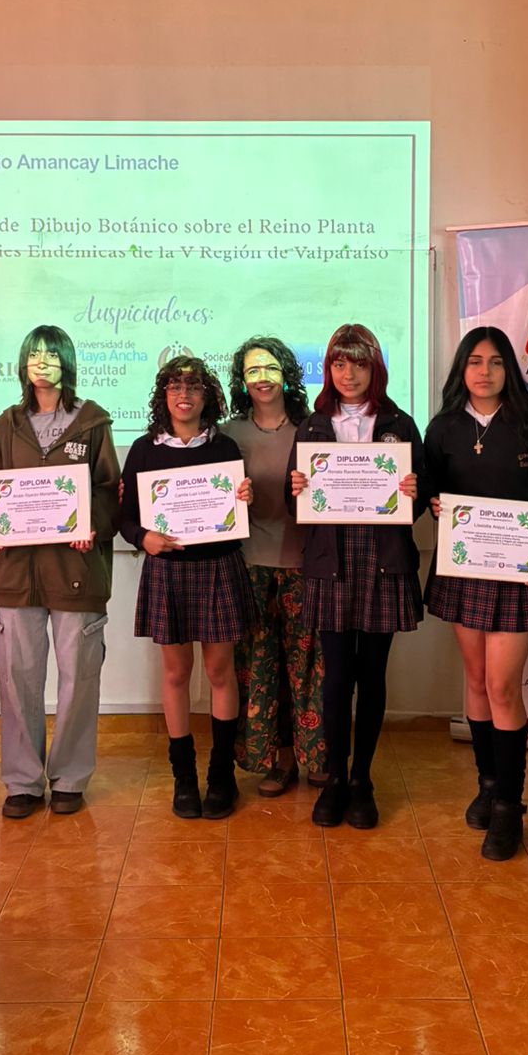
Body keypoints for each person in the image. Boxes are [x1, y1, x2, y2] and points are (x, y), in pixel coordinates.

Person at [422, 326, 528, 860]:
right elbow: (428, 487)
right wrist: (432, 501)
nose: (485, 372)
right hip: (465, 570)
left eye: (496, 362)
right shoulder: (443, 426)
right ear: (461, 369)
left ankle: (509, 806)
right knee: (477, 681)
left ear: (510, 369)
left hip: (518, 573)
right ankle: (488, 784)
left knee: (503, 687)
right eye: (475, 361)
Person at [290, 324, 424, 831]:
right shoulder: (312, 426)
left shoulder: (400, 423)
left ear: (375, 368)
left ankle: (363, 779)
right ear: (329, 369)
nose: (349, 374)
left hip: (382, 558)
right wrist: (295, 487)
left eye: (359, 363)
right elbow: (294, 504)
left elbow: (422, 495)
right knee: (336, 678)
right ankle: (334, 780)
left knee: (372, 677)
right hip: (331, 560)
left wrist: (413, 490)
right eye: (339, 363)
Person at [0, 325, 120, 819]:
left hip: (76, 570)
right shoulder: (6, 423)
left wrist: (92, 525)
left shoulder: (92, 421)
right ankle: (22, 781)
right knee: (17, 678)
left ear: (67, 362)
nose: (41, 362)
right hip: (18, 574)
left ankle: (70, 777)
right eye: (33, 354)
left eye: (51, 354)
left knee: (78, 678)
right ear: (23, 364)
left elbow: (109, 490)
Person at [119, 355, 254, 820]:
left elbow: (237, 517)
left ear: (207, 396)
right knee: (176, 674)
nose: (184, 395)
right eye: (175, 386)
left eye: (194, 387)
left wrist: (245, 499)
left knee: (220, 672)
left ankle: (221, 776)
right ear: (163, 396)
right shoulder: (144, 449)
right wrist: (143, 538)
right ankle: (184, 778)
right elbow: (125, 517)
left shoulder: (226, 447)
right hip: (169, 571)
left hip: (218, 566)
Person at [223, 336, 325, 795]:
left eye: (269, 368)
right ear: (241, 380)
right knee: (260, 669)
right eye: (252, 371)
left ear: (286, 373)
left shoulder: (313, 428)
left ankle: (317, 758)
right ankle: (277, 761)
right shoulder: (228, 434)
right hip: (249, 566)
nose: (261, 378)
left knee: (309, 669)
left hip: (305, 565)